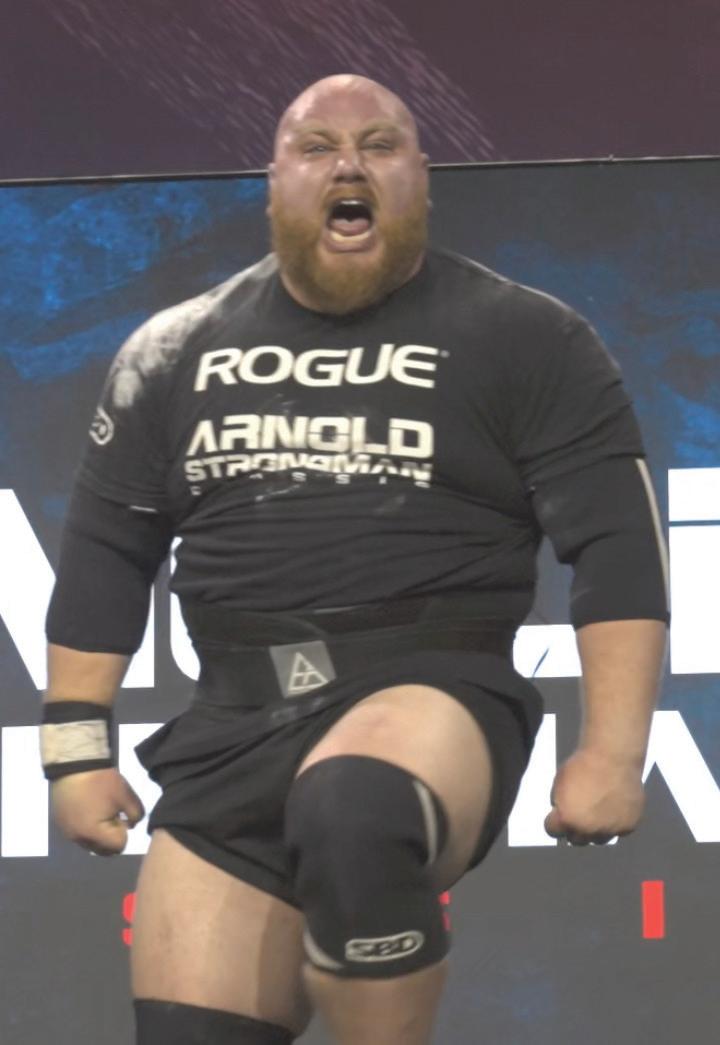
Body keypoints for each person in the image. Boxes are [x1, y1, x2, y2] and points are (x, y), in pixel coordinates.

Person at [41, 74, 668, 1045]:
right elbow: (104, 555)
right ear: (273, 183)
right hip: (233, 727)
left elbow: (618, 549)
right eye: (316, 146)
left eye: (379, 144)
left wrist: (614, 754)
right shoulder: (171, 350)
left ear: (422, 178)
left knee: (354, 805)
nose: (349, 164)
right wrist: (75, 752)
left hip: (429, 690)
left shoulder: (528, 336)